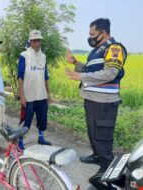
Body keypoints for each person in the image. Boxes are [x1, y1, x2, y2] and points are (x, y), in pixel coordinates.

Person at [65, 18, 127, 185]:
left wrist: (80, 76)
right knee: (94, 133)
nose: (90, 37)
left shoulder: (114, 48)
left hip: (104, 103)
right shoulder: (97, 50)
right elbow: (90, 70)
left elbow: (110, 73)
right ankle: (97, 156)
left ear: (103, 33)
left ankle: (106, 171)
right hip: (92, 101)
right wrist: (75, 63)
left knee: (103, 137)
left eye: (93, 34)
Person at [17, 30, 52, 150]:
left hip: (41, 94)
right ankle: (20, 140)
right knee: (26, 120)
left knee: (42, 118)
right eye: (34, 41)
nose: (37, 43)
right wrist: (21, 95)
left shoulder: (43, 57)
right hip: (28, 95)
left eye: (39, 41)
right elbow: (20, 76)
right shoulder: (24, 56)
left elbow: (45, 76)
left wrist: (49, 94)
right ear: (30, 41)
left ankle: (41, 137)